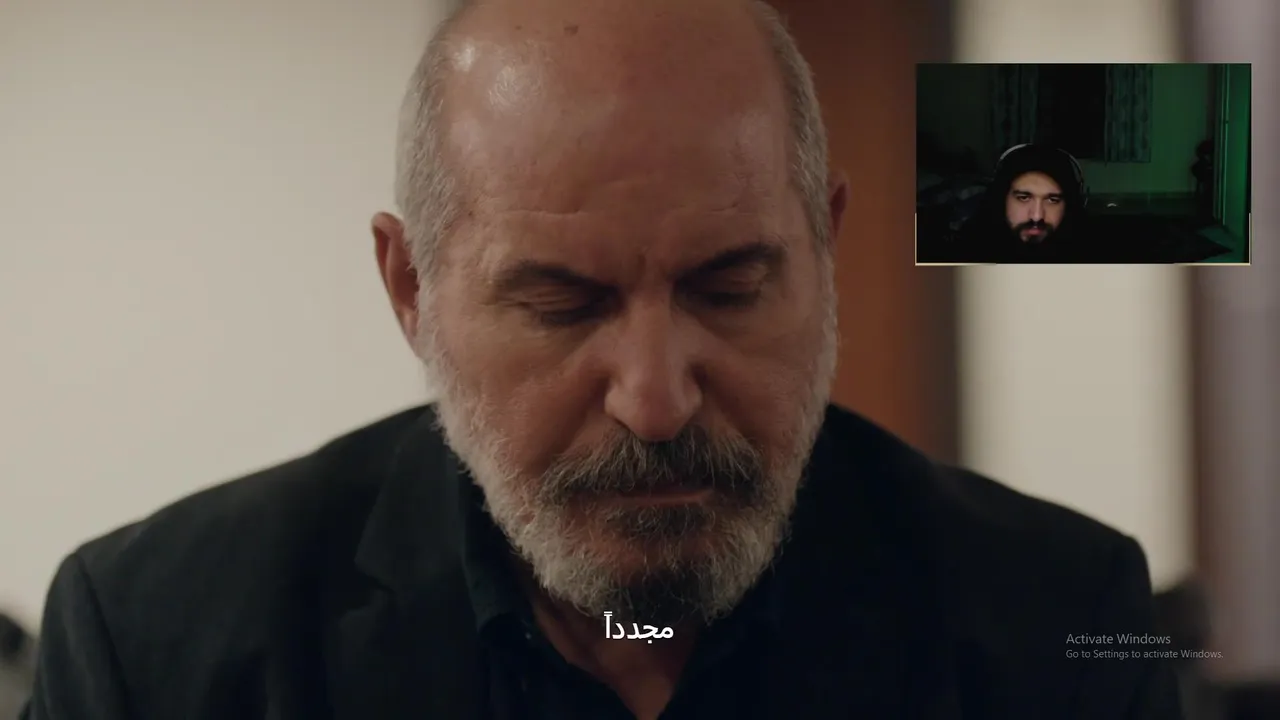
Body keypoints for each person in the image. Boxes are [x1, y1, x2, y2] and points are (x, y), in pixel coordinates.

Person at [24, 1, 1183, 718]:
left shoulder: (1057, 623)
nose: (656, 399)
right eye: (561, 304)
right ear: (410, 289)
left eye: (728, 288)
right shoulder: (158, 645)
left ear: (823, 250)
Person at [948, 143, 1096, 263]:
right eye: (1024, 198)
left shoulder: (1088, 253)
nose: (1037, 216)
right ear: (1002, 199)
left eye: (1052, 200)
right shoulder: (969, 249)